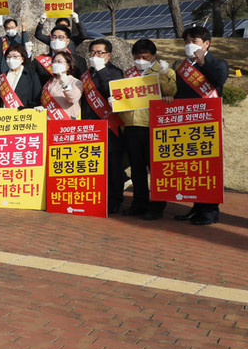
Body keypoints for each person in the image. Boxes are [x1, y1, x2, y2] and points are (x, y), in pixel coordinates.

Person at [172, 26, 227, 226]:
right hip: (187, 123)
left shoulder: (218, 63)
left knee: (209, 168)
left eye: (194, 40)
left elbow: (220, 80)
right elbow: (178, 92)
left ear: (206, 43)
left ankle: (210, 211)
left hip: (208, 124)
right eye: (186, 40)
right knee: (192, 169)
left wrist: (203, 62)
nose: (189, 44)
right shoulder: (182, 67)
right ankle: (196, 207)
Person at [118, 39, 177, 220]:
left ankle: (157, 205)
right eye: (137, 56)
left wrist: (164, 74)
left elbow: (171, 91)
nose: (141, 60)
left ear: (154, 56)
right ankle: (139, 203)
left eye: (145, 56)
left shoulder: (164, 71)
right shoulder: (129, 73)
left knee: (156, 169)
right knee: (137, 169)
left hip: (153, 127)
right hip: (132, 125)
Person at [80, 39, 127, 213]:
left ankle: (114, 200)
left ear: (108, 55)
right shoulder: (86, 74)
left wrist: (100, 70)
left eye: (99, 52)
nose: (95, 56)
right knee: (96, 166)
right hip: (90, 126)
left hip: (109, 126)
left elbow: (113, 92)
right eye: (92, 52)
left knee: (113, 166)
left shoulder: (115, 72)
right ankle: (98, 197)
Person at [0, 45, 40, 109]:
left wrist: (27, 108)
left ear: (23, 58)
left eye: (15, 56)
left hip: (24, 115)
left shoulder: (32, 76)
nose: (11, 59)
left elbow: (37, 98)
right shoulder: (1, 78)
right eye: (8, 57)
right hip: (4, 116)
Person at [37, 51, 83, 119]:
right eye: (54, 62)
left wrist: (65, 84)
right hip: (49, 121)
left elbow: (72, 99)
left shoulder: (75, 82)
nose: (56, 64)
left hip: (66, 121)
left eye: (59, 62)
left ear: (68, 66)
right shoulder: (49, 82)